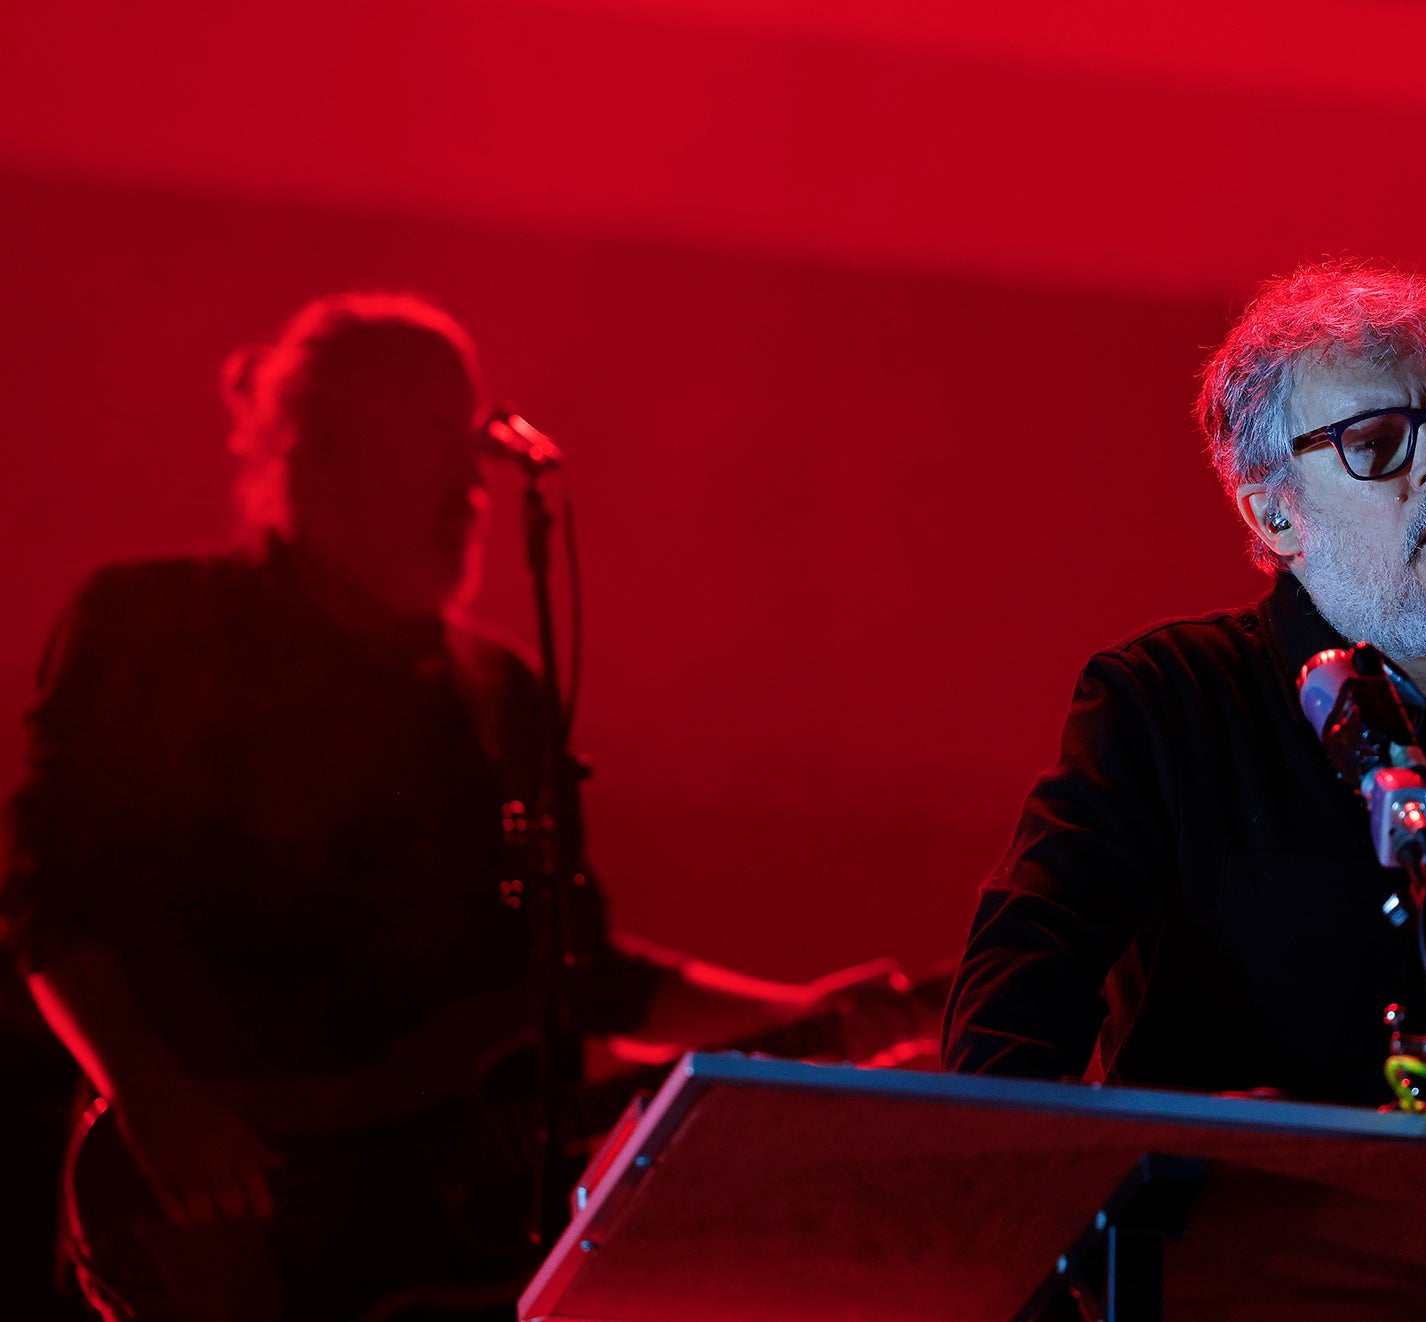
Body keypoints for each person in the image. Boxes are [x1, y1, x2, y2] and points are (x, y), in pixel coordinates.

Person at [2, 292, 901, 1321]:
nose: (469, 483)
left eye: (468, 435)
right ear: (316, 451)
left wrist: (805, 1015)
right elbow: (51, 895)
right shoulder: (149, 625)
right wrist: (152, 1093)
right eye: (429, 434)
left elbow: (583, 974)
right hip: (201, 1235)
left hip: (428, 1275)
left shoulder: (497, 695)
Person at [942, 259, 1426, 1103]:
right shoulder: (1164, 704)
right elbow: (1001, 1042)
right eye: (1376, 442)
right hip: (1240, 1226)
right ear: (1276, 516)